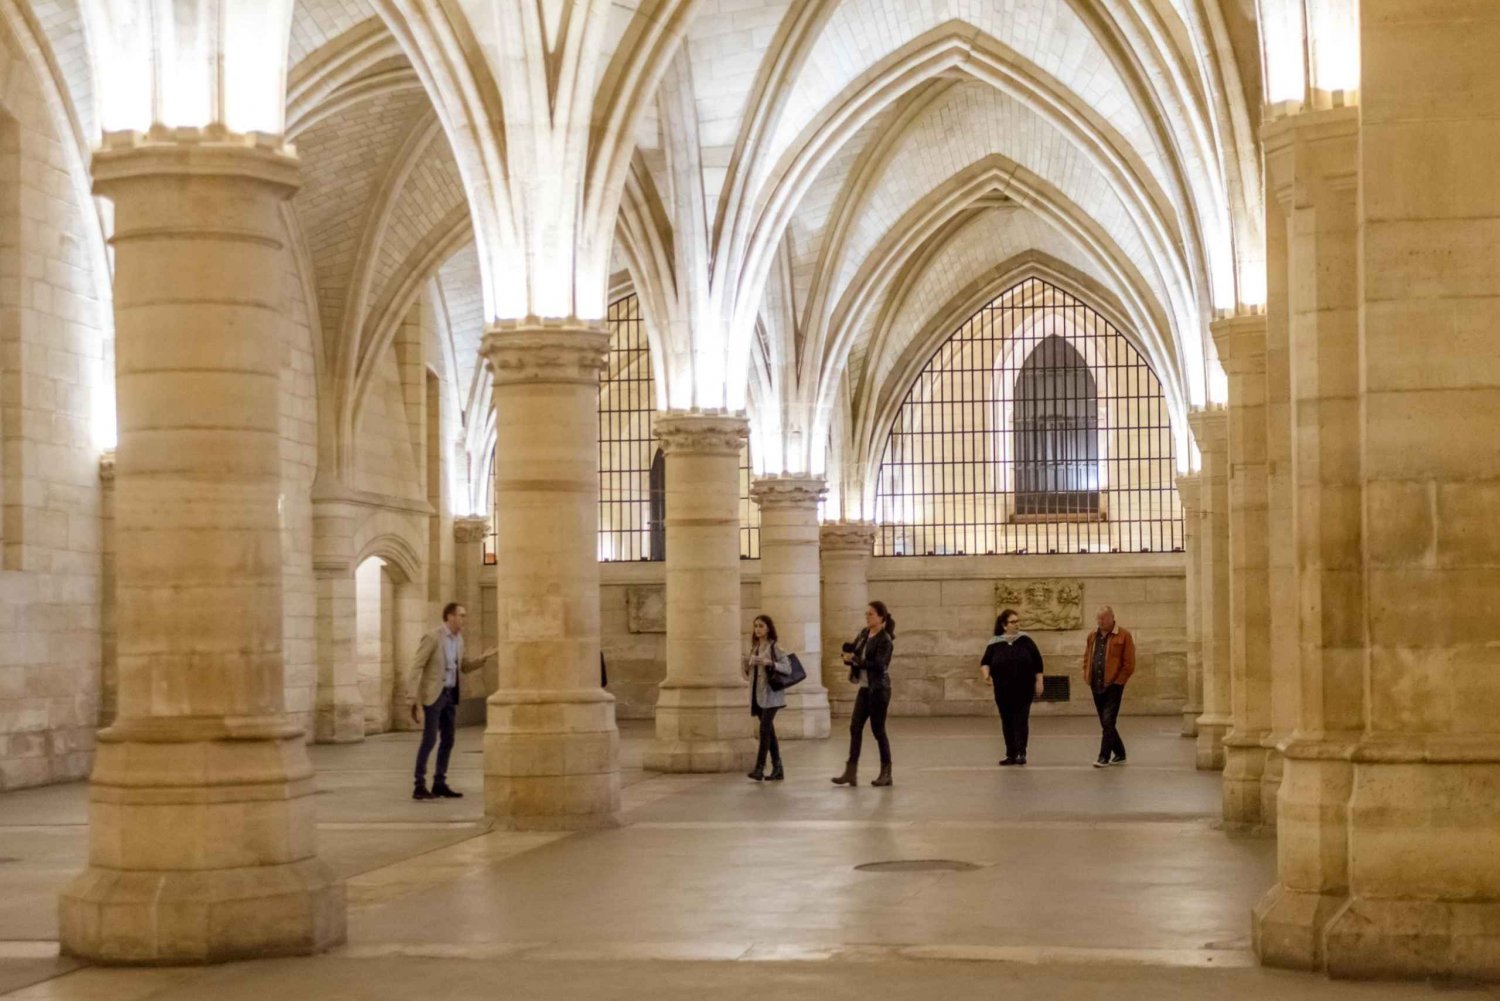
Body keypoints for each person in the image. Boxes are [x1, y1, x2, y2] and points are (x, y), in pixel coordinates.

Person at [407, 602, 496, 800]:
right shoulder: (433, 637)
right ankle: (419, 784)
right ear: (449, 616)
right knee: (429, 739)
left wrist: (483, 658)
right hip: (434, 694)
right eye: (461, 615)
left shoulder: (458, 640)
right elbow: (417, 666)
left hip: (449, 694)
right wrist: (412, 698)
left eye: (464, 615)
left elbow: (463, 666)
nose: (464, 619)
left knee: (448, 739)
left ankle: (439, 782)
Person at [832, 600, 896, 788]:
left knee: (878, 730)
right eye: (866, 614)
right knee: (854, 727)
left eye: (871, 614)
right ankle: (850, 772)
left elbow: (880, 664)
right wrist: (847, 656)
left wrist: (858, 661)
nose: (867, 617)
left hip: (879, 689)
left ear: (881, 617)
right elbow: (854, 650)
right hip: (865, 688)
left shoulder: (885, 639)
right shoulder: (863, 634)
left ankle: (886, 773)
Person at [980, 608, 1045, 765]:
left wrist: (1039, 681)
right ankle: (1010, 753)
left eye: (1018, 621)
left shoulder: (1026, 640)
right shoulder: (994, 642)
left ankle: (1021, 753)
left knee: (1021, 720)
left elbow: (1038, 662)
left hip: (1024, 688)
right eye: (1013, 622)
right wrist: (986, 674)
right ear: (1004, 625)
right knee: (1007, 720)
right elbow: (985, 662)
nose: (1017, 624)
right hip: (1003, 689)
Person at [1080, 604, 1135, 768]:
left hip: (1114, 685)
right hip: (1096, 684)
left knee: (1108, 719)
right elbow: (1087, 656)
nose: (1100, 621)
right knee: (1106, 722)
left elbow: (1129, 663)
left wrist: (1119, 682)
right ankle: (1120, 753)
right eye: (1098, 618)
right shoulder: (1092, 636)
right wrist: (1086, 673)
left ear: (1112, 618)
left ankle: (1103, 756)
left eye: (1103, 618)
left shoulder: (1124, 635)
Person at [742, 614, 793, 781]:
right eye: (756, 626)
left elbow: (788, 668)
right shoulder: (754, 648)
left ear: (768, 628)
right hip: (757, 695)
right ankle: (778, 768)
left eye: (761, 626)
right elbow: (749, 674)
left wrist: (769, 662)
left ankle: (760, 767)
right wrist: (748, 664)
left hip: (772, 696)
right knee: (769, 731)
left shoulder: (774, 647)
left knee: (764, 730)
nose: (757, 629)